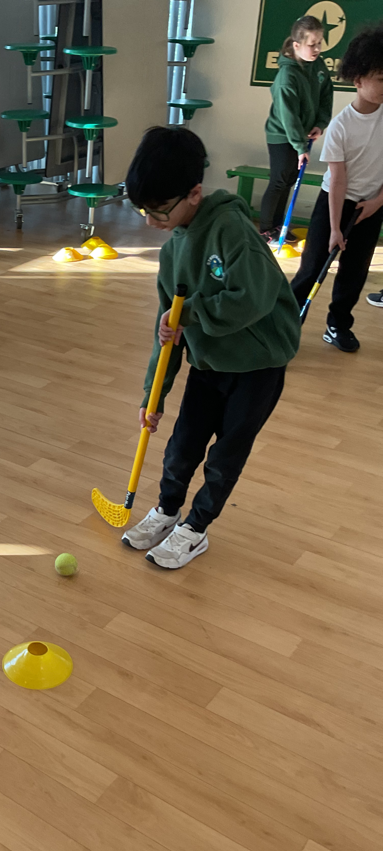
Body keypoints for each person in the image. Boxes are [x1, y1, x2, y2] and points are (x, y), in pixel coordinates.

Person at [122, 127, 301, 570]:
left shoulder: (232, 231)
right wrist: (154, 394)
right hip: (208, 364)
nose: (150, 221)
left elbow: (252, 298)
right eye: (142, 210)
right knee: (182, 446)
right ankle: (167, 511)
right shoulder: (171, 255)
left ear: (195, 193)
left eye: (158, 210)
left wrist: (192, 315)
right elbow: (166, 332)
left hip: (257, 365)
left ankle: (196, 528)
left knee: (225, 456)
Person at [291, 22, 383, 352]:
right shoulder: (342, 126)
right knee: (312, 265)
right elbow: (338, 180)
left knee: (354, 271)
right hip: (334, 202)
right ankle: (284, 323)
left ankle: (338, 325)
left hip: (371, 204)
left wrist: (377, 202)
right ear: (358, 80)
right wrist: (334, 228)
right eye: (381, 80)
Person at [260, 15, 333, 242]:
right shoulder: (286, 76)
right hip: (282, 135)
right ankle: (265, 230)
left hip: (300, 134)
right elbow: (288, 117)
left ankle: (279, 226)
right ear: (297, 45)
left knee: (290, 180)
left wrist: (320, 124)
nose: (317, 48)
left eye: (320, 43)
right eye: (312, 44)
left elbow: (326, 95)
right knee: (280, 180)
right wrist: (301, 147)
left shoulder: (317, 65)